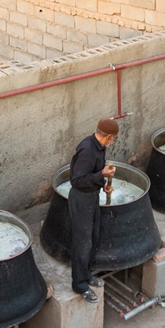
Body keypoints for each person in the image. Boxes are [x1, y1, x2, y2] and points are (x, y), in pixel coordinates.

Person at [68, 118, 118, 304]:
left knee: (92, 237)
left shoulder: (98, 147)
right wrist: (102, 174)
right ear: (109, 137)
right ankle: (79, 284)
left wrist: (102, 184)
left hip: (91, 196)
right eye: (114, 139)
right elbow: (77, 180)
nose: (113, 142)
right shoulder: (88, 150)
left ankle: (86, 273)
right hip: (81, 199)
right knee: (83, 242)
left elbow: (92, 175)